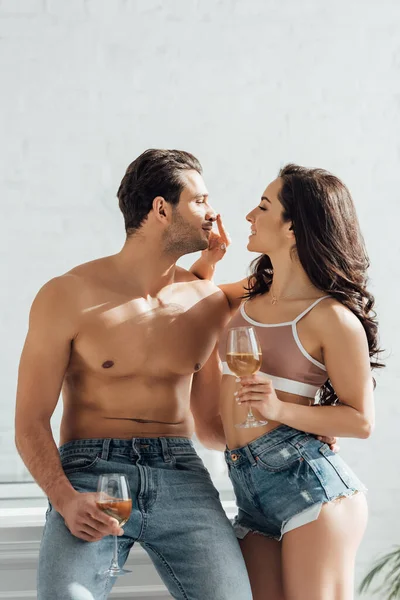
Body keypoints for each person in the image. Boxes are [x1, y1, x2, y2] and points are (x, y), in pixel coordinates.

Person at [15, 149, 254, 600]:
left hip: (182, 471)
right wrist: (65, 499)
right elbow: (29, 421)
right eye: (200, 200)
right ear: (161, 209)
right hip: (90, 473)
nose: (214, 212)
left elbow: (212, 428)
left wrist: (298, 429)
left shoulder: (207, 302)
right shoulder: (67, 295)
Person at [191, 164, 382, 600]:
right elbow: (195, 299)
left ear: (294, 227)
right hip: (250, 491)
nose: (247, 216)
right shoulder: (250, 293)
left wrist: (279, 410)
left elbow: (361, 420)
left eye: (263, 206)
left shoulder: (331, 318)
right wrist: (209, 260)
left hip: (311, 491)